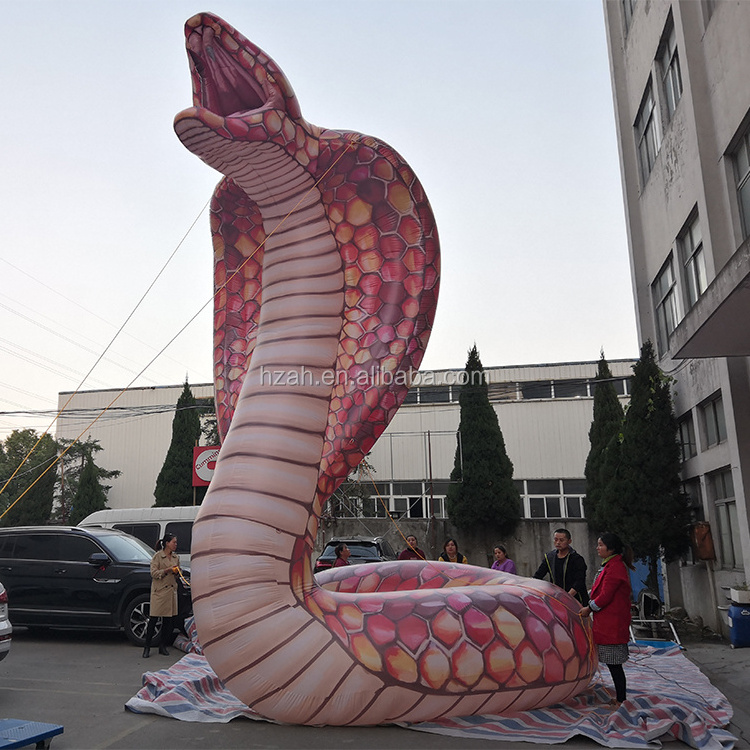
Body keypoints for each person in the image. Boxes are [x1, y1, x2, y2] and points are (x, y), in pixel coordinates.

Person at [579, 532, 635, 707]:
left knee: (614, 664)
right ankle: (620, 697)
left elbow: (606, 595)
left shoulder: (615, 567)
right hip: (607, 620)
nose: (598, 548)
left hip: (612, 622)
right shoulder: (609, 565)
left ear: (611, 549)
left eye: (601, 545)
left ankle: (621, 699)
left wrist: (589, 608)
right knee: (612, 664)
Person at [142, 533, 180, 658]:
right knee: (153, 619)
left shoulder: (175, 557)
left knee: (168, 621)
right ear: (167, 543)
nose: (175, 544)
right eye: (173, 542)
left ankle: (162, 646)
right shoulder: (158, 556)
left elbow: (178, 572)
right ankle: (147, 647)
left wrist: (177, 573)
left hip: (171, 592)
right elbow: (153, 573)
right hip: (160, 592)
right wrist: (167, 570)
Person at [532, 528, 589, 605]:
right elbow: (538, 576)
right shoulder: (549, 557)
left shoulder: (576, 559)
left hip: (576, 600)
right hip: (557, 599)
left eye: (561, 540)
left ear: (569, 541)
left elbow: (579, 581)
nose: (558, 542)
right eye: (556, 540)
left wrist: (567, 597)